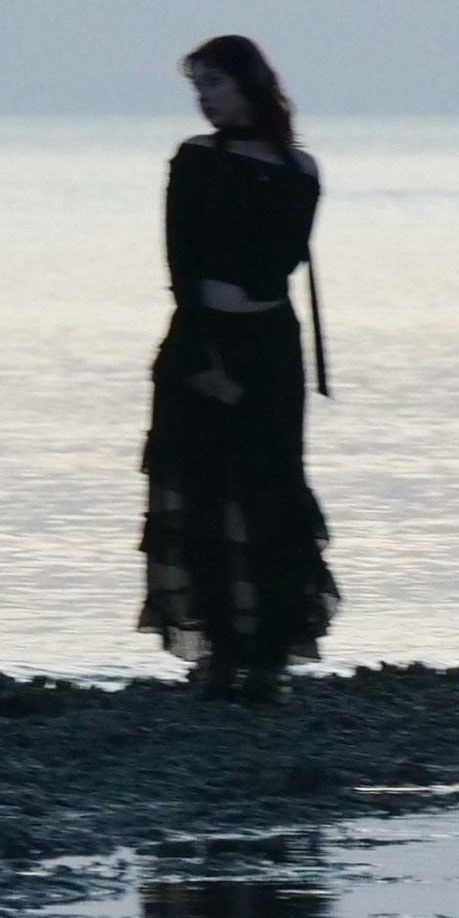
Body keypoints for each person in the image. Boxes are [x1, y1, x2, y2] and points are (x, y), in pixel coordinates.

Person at [139, 34, 339, 702]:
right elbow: (181, 265)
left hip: (269, 343)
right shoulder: (193, 160)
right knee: (196, 495)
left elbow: (275, 261)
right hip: (199, 335)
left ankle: (270, 655)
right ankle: (221, 650)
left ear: (249, 84)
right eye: (198, 89)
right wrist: (201, 358)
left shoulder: (299, 169)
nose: (204, 100)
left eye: (214, 86)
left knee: (272, 495)